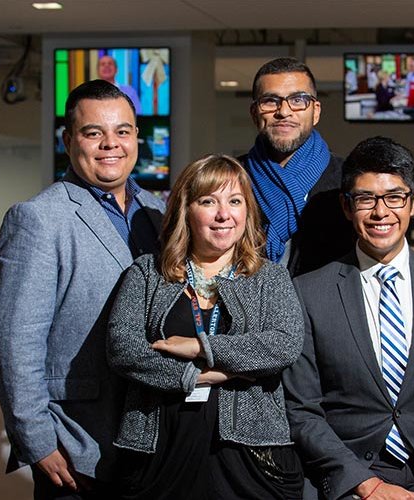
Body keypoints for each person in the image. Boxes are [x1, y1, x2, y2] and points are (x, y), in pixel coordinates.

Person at [283, 136, 414, 500]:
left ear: (413, 202)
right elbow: (301, 410)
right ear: (347, 207)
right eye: (366, 198)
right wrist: (367, 486)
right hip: (351, 479)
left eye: (394, 197)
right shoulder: (308, 292)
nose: (381, 213)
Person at [0, 79, 166, 500]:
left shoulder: (160, 213)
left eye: (122, 131)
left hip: (153, 442)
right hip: (76, 445)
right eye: (93, 133)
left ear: (136, 137)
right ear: (69, 140)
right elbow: (13, 340)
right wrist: (38, 442)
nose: (111, 144)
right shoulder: (38, 218)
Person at [107, 154, 305, 499]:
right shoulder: (147, 273)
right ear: (186, 209)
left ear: (248, 211)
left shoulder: (270, 278)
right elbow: (123, 348)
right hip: (158, 451)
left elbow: (283, 344)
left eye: (235, 201)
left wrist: (200, 347)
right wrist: (201, 376)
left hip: (250, 460)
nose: (223, 214)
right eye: (208, 201)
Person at [241, 57, 354, 277]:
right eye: (270, 101)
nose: (284, 111)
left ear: (316, 111)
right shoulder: (230, 178)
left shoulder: (347, 178)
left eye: (298, 100)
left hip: (326, 307)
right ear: (254, 113)